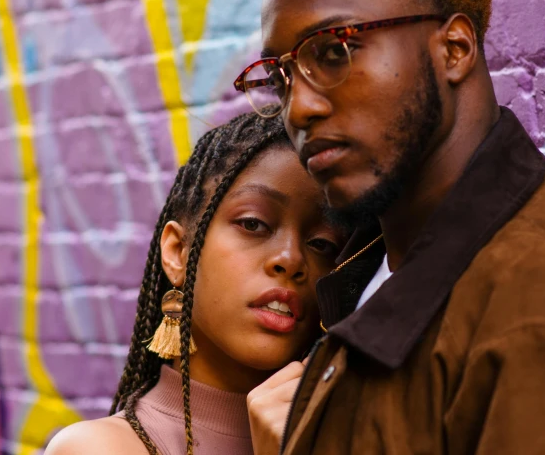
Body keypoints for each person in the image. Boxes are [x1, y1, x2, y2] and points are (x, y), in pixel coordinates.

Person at [234, 0, 545, 453]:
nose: (298, 108)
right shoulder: (366, 272)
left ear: (454, 49)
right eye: (281, 78)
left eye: (334, 51)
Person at [45, 112, 347, 455]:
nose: (290, 258)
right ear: (178, 252)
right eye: (253, 224)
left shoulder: (346, 433)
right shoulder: (100, 448)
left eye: (323, 243)